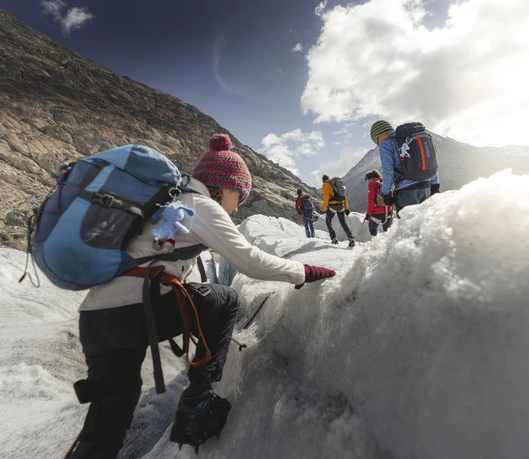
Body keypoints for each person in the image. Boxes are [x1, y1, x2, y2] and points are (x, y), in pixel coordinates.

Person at [66, 134, 336, 458]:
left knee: (106, 427)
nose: (238, 205)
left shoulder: (170, 202)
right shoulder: (202, 205)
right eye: (240, 195)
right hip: (134, 314)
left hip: (96, 319)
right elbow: (250, 261)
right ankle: (198, 401)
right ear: (225, 186)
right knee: (227, 300)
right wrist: (304, 271)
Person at [370, 120, 440, 215]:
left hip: (406, 192)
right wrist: (435, 184)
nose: (377, 144)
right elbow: (430, 160)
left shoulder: (386, 144)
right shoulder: (408, 138)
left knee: (408, 227)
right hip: (426, 186)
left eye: (375, 140)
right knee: (425, 224)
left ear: (381, 133)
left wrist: (386, 194)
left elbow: (388, 171)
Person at [321, 174, 355, 247]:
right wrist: (346, 208)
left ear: (323, 180)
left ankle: (334, 239)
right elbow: (344, 196)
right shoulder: (336, 185)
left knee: (328, 222)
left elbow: (326, 197)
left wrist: (324, 209)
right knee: (343, 223)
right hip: (341, 205)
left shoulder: (325, 184)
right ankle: (351, 239)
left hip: (332, 206)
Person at [364, 170, 393, 236]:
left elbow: (371, 201)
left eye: (368, 180)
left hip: (377, 213)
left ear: (371, 178)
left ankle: (375, 243)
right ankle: (387, 245)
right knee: (387, 232)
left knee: (372, 228)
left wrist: (368, 214)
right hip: (388, 211)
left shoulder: (372, 184)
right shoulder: (384, 182)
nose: (367, 182)